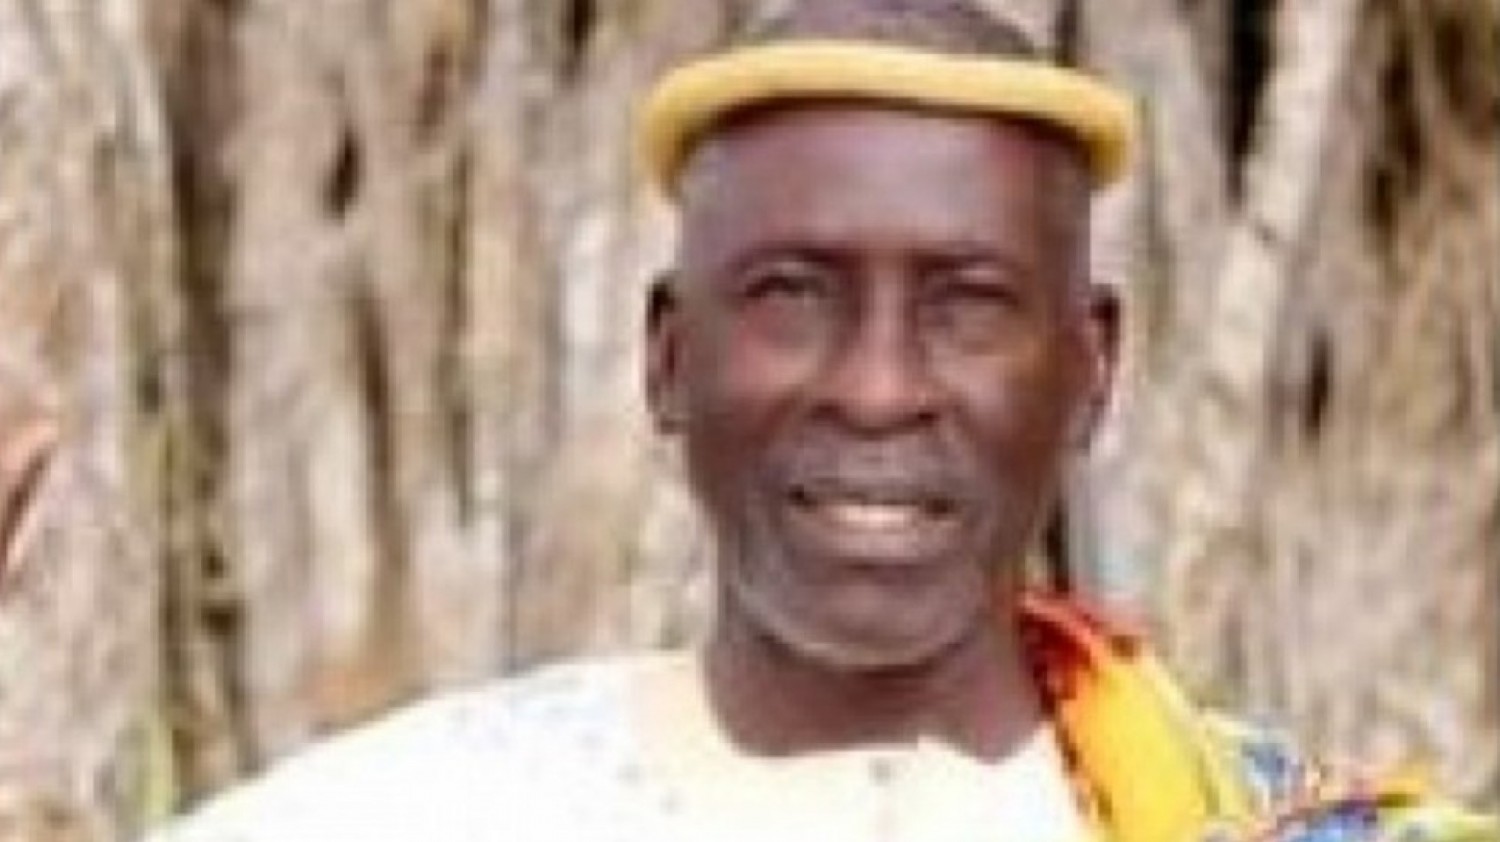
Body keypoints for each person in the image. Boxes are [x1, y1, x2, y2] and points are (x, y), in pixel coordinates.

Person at [149, 1, 1497, 840]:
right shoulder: (401, 815)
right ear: (669, 356)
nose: (877, 385)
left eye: (969, 304)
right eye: (792, 296)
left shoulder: (1269, 831)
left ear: (1091, 367)